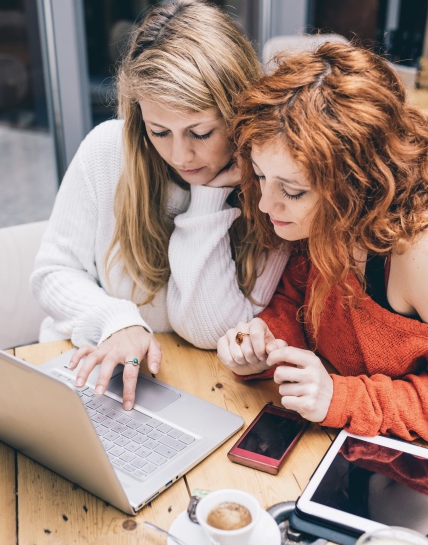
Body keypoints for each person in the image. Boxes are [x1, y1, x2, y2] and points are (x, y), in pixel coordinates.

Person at [217, 42, 428, 497]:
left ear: (357, 183)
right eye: (259, 176)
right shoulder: (324, 217)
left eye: (291, 191)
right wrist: (263, 341)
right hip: (375, 451)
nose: (266, 203)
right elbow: (298, 303)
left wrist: (339, 397)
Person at [30, 0, 287, 410]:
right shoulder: (106, 150)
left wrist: (208, 200)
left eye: (200, 132)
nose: (181, 155)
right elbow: (52, 274)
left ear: (239, 114)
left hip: (192, 389)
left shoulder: (274, 191)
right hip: (87, 372)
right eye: (159, 131)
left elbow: (211, 330)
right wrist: (116, 319)